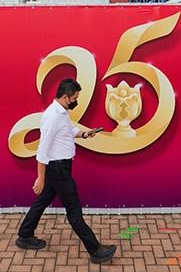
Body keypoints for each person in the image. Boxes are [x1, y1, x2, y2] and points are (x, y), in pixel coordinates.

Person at [15, 78, 117, 264]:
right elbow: (42, 150)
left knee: (42, 201)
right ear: (65, 97)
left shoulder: (61, 113)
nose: (76, 101)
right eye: (75, 98)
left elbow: (68, 130)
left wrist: (84, 134)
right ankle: (95, 250)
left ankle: (25, 234)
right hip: (58, 170)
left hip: (60, 168)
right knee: (74, 210)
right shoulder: (53, 117)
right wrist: (40, 177)